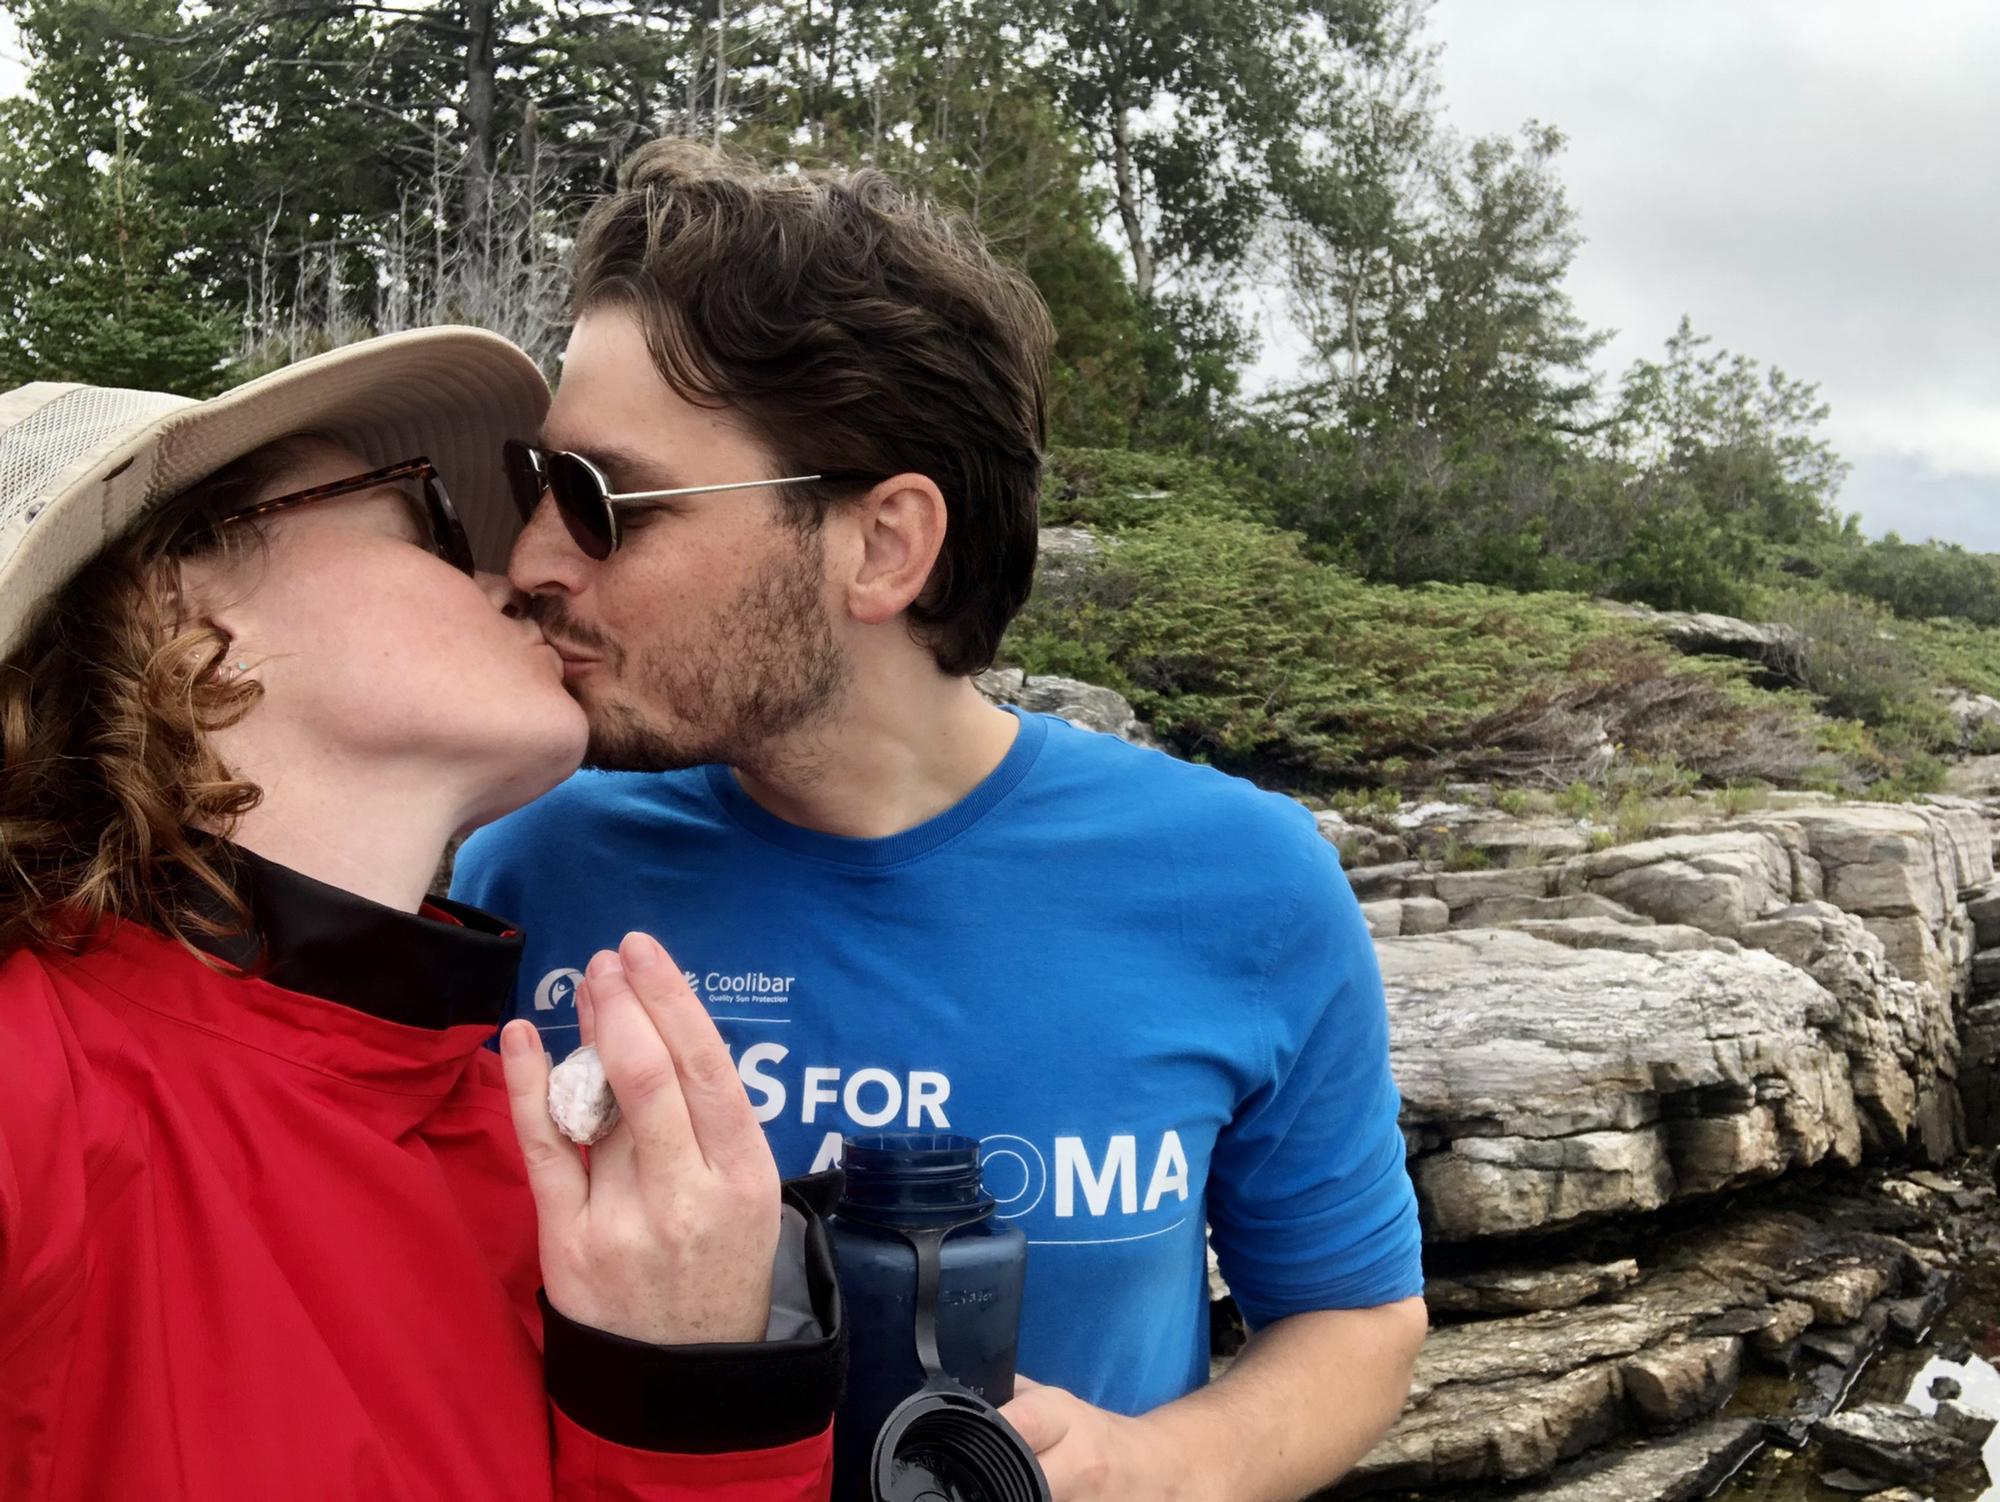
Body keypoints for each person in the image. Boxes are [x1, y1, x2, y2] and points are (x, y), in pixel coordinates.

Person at [451, 141, 1428, 1501]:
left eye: (605, 502)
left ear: (887, 544)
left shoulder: (1241, 883)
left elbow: (1359, 1319)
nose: (534, 561)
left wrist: (1160, 1463)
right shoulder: (526, 861)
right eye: (531, 489)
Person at [0, 330, 842, 1501]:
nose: (514, 574)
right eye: (424, 519)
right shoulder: (29, 1082)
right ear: (179, 602)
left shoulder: (506, 1136)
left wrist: (682, 1384)